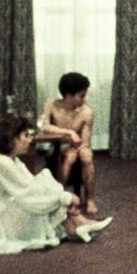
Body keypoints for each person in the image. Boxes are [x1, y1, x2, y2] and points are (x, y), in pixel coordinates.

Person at [0, 115, 109, 255]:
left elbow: (33, 185)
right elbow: (29, 191)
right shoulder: (1, 162)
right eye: (26, 136)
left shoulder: (14, 161)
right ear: (14, 138)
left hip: (7, 208)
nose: (30, 140)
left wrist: (61, 196)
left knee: (45, 187)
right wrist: (64, 197)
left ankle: (78, 224)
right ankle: (80, 224)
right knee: (41, 199)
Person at [38, 72, 108, 222]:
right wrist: (69, 132)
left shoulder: (86, 112)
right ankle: (60, 197)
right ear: (69, 95)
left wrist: (75, 150)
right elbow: (43, 126)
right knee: (68, 158)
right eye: (81, 95)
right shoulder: (51, 105)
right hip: (57, 145)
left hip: (78, 146)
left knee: (87, 156)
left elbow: (85, 142)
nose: (84, 99)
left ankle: (90, 199)